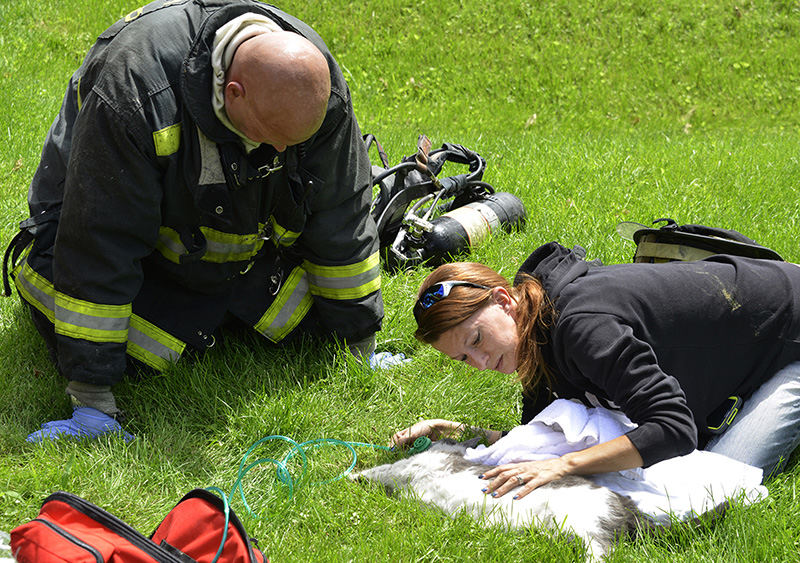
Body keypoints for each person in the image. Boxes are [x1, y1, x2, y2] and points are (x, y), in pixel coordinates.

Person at [3, 0, 402, 442]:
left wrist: (360, 343)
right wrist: (92, 399)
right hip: (95, 224)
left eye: (294, 144)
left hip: (223, 240)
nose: (282, 153)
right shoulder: (136, 93)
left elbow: (340, 211)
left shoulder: (313, 83)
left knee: (312, 327)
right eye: (271, 137)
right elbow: (101, 240)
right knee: (135, 351)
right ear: (233, 91)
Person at [392, 241, 800, 500]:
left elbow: (674, 430)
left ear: (503, 300)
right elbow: (542, 436)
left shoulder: (581, 325)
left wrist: (565, 466)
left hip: (792, 333)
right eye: (465, 359)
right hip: (748, 344)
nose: (482, 363)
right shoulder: (534, 333)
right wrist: (460, 434)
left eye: (477, 340)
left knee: (719, 480)